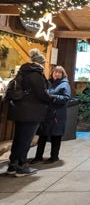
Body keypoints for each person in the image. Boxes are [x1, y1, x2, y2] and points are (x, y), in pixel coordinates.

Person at [7, 48, 52, 177]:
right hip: (31, 112)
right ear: (40, 64)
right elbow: (42, 94)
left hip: (19, 111)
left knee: (18, 138)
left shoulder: (22, 72)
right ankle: (22, 166)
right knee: (26, 139)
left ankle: (13, 165)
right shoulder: (36, 75)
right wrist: (51, 98)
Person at [30, 66, 72, 164]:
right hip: (46, 113)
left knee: (55, 136)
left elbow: (66, 98)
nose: (57, 74)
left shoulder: (64, 85)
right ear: (52, 73)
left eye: (59, 73)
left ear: (63, 74)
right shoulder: (47, 83)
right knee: (42, 136)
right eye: (55, 72)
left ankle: (54, 157)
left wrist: (52, 97)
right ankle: (38, 156)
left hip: (57, 114)